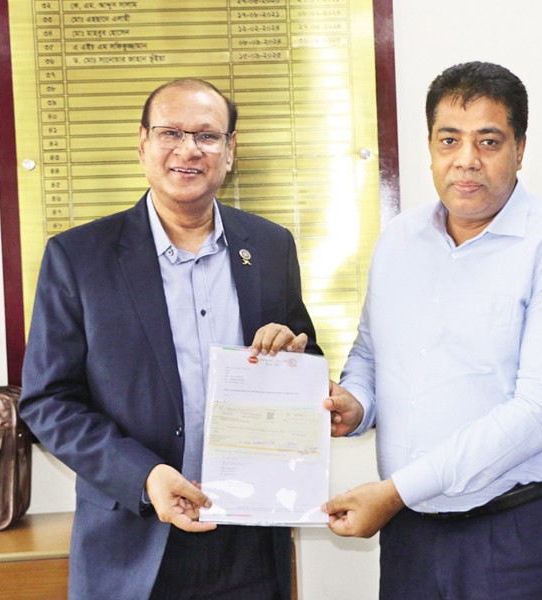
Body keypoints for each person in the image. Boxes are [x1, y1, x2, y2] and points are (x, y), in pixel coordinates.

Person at [20, 78, 321, 600]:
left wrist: (293, 354)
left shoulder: (271, 247)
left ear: (229, 150)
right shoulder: (79, 257)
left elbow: (306, 356)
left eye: (206, 136)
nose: (188, 149)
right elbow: (47, 402)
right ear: (143, 143)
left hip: (249, 540)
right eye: (170, 133)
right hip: (132, 542)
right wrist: (145, 476)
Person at [321, 61, 542, 599]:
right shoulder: (399, 240)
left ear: (520, 149)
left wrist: (396, 491)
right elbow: (371, 354)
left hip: (522, 535)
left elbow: (541, 411)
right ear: (430, 147)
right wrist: (357, 405)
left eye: (488, 141)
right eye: (449, 140)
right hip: (411, 535)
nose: (466, 159)